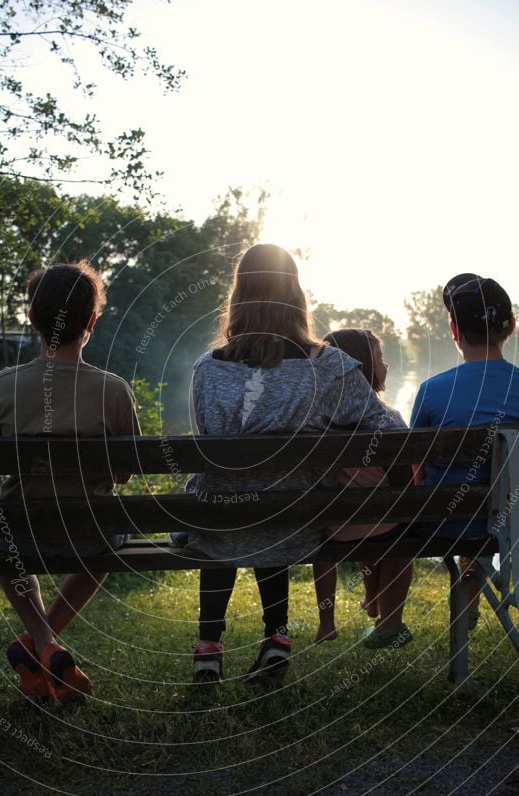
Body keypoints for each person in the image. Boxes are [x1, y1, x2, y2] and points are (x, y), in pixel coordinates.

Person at [183, 244, 404, 684]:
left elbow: (208, 439)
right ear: (296, 297)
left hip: (215, 522)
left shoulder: (207, 368)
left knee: (226, 500)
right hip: (291, 523)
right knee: (275, 503)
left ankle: (209, 647)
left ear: (239, 296)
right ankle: (276, 638)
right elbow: (392, 434)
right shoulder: (330, 366)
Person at [0, 261, 140, 703]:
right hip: (88, 536)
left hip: (18, 533)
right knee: (109, 543)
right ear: (91, 321)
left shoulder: (3, 385)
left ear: (32, 319)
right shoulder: (114, 389)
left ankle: (39, 638)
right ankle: (45, 642)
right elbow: (125, 470)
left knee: (6, 546)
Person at [410, 273, 519, 628]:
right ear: (511, 326)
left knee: (467, 510)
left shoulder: (432, 391)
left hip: (449, 523)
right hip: (514, 522)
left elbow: (417, 470)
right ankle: (473, 600)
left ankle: (467, 605)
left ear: (454, 331)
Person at [313, 329, 414, 648]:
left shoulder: (317, 420)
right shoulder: (388, 418)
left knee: (357, 521)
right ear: (363, 368)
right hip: (385, 527)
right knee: (397, 537)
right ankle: (389, 621)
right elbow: (404, 480)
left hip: (333, 528)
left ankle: (328, 622)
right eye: (382, 358)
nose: (387, 365)